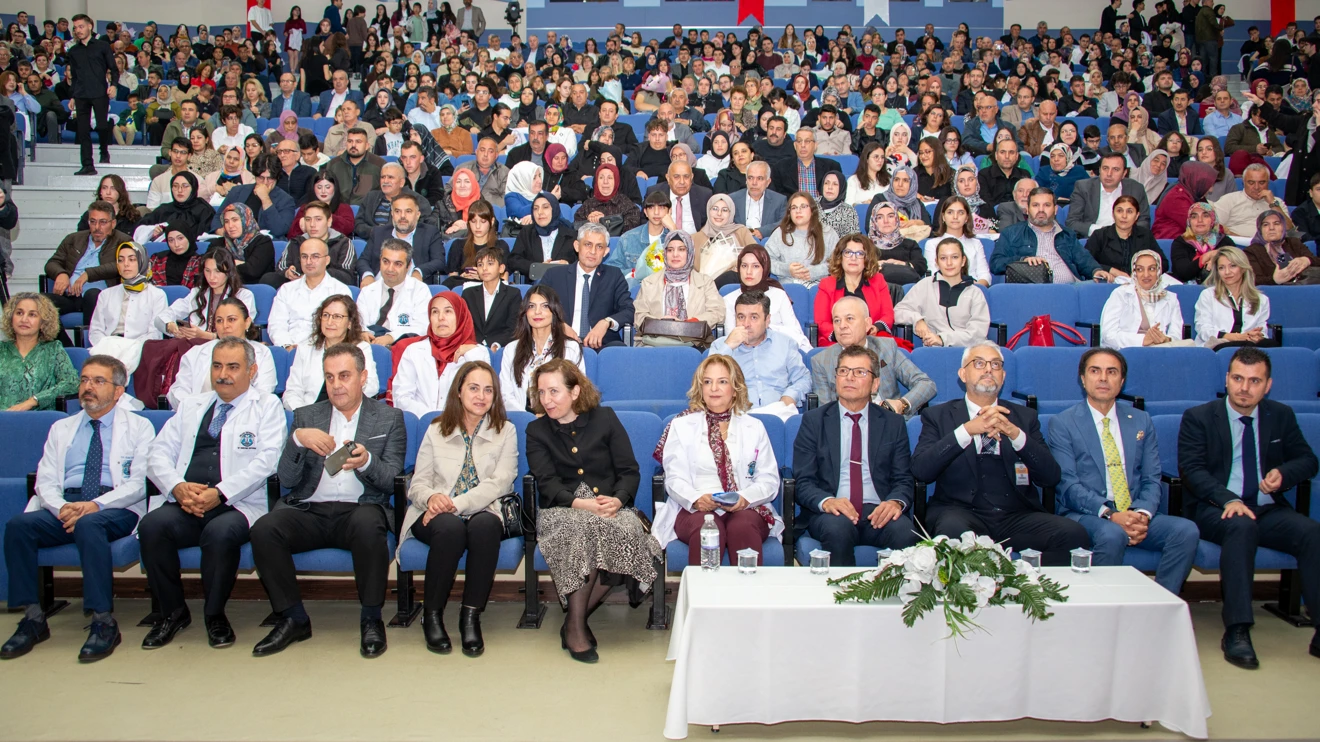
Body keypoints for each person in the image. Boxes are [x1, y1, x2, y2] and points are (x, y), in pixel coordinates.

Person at [249, 344, 407, 658]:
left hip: (359, 509)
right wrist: (297, 440)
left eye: (345, 376)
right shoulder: (306, 416)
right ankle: (294, 618)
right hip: (310, 509)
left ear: (363, 377)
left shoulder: (389, 418)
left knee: (368, 525)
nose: (336, 384)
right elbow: (287, 480)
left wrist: (365, 462)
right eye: (330, 377)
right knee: (264, 529)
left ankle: (371, 618)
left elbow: (392, 481)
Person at [0, 356, 154, 662]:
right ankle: (33, 618)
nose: (88, 387)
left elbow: (138, 484)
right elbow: (44, 481)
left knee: (90, 524)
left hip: (115, 505)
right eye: (84, 380)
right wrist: (63, 509)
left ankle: (103, 622)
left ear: (119, 390)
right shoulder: (62, 427)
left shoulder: (139, 427)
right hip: (66, 505)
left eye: (98, 381)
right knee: (18, 526)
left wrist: (94, 505)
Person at [138, 338, 286, 649]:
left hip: (236, 503)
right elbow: (158, 453)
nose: (223, 374)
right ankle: (173, 612)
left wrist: (220, 493)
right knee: (152, 526)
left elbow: (268, 461)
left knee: (220, 533)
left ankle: (214, 614)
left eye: (233, 367)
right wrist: (177, 487)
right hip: (187, 500)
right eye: (217, 366)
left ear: (252, 371)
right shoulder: (192, 406)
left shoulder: (267, 406)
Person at [1178, 347, 1320, 668]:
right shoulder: (1199, 417)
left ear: (1267, 385)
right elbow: (1192, 471)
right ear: (1227, 379)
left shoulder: (1280, 415)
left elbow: (1308, 461)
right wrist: (1229, 499)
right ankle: (1238, 629)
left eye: (1254, 381)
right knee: (1241, 526)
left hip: (1266, 508)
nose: (1245, 388)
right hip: (1215, 508)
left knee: (1312, 533)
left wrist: (1284, 474)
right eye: (1238, 378)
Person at [524, 359, 662, 662]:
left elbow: (629, 470)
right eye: (542, 392)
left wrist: (618, 499)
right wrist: (582, 504)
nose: (546, 400)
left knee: (624, 533)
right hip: (561, 510)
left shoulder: (605, 419)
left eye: (554, 391)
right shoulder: (536, 430)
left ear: (575, 391)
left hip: (609, 506)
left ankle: (572, 621)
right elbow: (546, 483)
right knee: (582, 530)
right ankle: (575, 629)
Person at [911, 340, 1090, 564]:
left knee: (1074, 535)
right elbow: (921, 470)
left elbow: (1050, 476)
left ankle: (1029, 590)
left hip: (1016, 515)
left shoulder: (1024, 417)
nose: (988, 369)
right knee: (951, 535)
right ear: (962, 374)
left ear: (1003, 376)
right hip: (961, 512)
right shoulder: (938, 416)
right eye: (979, 363)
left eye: (995, 365)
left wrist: (1016, 435)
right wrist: (966, 431)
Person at [1048, 348, 1200, 594]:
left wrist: (1141, 514)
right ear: (1083, 379)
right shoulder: (1063, 423)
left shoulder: (1141, 420)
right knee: (1112, 534)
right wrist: (1111, 514)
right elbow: (1067, 485)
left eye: (1112, 372)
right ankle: (1102, 610)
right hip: (1087, 514)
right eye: (1095, 371)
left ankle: (1160, 607)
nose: (1103, 378)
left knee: (1185, 531)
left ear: (1121, 381)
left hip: (1133, 512)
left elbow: (1152, 479)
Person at [400, 360, 514, 656]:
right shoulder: (436, 429)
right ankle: (432, 614)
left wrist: (456, 504)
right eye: (474, 388)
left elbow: (500, 483)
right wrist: (432, 500)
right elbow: (418, 484)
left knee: (486, 526)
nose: (481, 396)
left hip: (483, 508)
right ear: (459, 392)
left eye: (488, 390)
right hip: (435, 514)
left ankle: (470, 616)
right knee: (450, 530)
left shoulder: (506, 430)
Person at [793, 344, 920, 566]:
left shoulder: (893, 423)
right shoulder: (814, 421)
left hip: (877, 510)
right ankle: (842, 597)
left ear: (875, 384)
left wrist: (895, 502)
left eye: (859, 372)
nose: (849, 377)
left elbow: (903, 478)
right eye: (843, 371)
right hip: (832, 511)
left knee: (905, 532)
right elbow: (803, 481)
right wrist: (827, 501)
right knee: (838, 529)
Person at [654, 354, 783, 564]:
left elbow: (769, 480)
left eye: (722, 381)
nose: (714, 388)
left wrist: (744, 498)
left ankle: (749, 594)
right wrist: (696, 499)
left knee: (741, 526)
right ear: (700, 388)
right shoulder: (681, 425)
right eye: (707, 382)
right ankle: (703, 596)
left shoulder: (754, 427)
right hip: (694, 508)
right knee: (707, 526)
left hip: (747, 507)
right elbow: (674, 478)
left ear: (735, 389)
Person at [811, 296, 936, 417]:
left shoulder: (886, 348)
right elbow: (827, 413)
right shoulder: (822, 361)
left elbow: (925, 384)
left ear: (867, 324)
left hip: (889, 422)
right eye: (837, 320)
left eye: (849, 319)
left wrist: (901, 404)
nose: (842, 326)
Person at [708, 290, 811, 417]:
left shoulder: (785, 344)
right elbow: (707, 381)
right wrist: (728, 346)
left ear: (767, 320)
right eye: (741, 317)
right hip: (736, 416)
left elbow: (803, 378)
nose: (746, 324)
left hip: (778, 414)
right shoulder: (720, 346)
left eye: (754, 317)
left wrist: (790, 396)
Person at [164, 297, 276, 410]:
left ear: (247, 322)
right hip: (198, 417)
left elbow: (263, 394)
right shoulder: (196, 353)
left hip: (245, 418)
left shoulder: (262, 353)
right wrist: (200, 410)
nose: (225, 326)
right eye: (219, 320)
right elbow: (177, 392)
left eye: (231, 319)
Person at [539, 223, 635, 350]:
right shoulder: (554, 275)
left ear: (606, 252)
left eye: (599, 246)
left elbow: (628, 310)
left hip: (601, 344)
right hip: (560, 342)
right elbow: (537, 307)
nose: (593, 251)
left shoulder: (614, 276)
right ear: (577, 246)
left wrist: (606, 322)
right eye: (588, 244)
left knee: (618, 351)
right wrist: (558, 325)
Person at [393, 293, 491, 416]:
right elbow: (401, 396)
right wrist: (431, 418)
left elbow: (482, 398)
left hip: (463, 425)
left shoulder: (477, 352)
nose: (441, 317)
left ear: (460, 316)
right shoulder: (414, 351)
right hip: (422, 424)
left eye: (448, 311)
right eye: (435, 312)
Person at [993, 188, 1112, 283]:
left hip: (1070, 289)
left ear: (1055, 210)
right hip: (1032, 291)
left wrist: (1096, 271)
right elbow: (996, 263)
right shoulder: (1011, 233)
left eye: (1046, 205)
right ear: (1027, 210)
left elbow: (1084, 260)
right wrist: (1022, 260)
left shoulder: (1067, 234)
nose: (1041, 210)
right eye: (1035, 205)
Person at [284, 295, 380, 410]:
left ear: (349, 322)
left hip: (347, 413)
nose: (329, 322)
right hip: (310, 413)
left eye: (337, 317)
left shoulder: (361, 348)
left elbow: (371, 386)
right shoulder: (306, 348)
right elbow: (292, 392)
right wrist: (304, 414)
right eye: (326, 315)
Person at [43, 201, 131, 327]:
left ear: (113, 223)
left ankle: (90, 344)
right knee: (38, 303)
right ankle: (64, 345)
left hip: (101, 298)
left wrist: (88, 274)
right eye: (93, 221)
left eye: (103, 222)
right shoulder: (73, 239)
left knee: (92, 294)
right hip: (71, 296)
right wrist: (61, 274)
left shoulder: (123, 241)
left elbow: (120, 265)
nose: (97, 227)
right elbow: (52, 263)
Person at [498, 286, 586, 413]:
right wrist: (528, 419)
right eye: (531, 306)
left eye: (544, 306)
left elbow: (576, 391)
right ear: (525, 312)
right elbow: (505, 395)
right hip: (522, 420)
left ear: (554, 311)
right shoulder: (511, 349)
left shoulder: (570, 348)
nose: (537, 312)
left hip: (559, 420)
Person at [894, 238, 991, 348]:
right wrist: (917, 320)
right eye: (943, 258)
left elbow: (978, 333)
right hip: (935, 352)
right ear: (937, 262)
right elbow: (898, 312)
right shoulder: (925, 285)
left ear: (963, 261)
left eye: (954, 257)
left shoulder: (975, 292)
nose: (949, 263)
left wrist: (942, 338)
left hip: (970, 352)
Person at [87, 242, 169, 363]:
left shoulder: (157, 295)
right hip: (107, 350)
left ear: (142, 262)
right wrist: (108, 348)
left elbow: (154, 334)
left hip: (139, 351)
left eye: (132, 259)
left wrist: (128, 347)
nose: (126, 264)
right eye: (121, 260)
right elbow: (95, 331)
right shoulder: (106, 294)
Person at [267, 238, 353, 349]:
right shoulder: (286, 289)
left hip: (324, 351)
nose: (308, 261)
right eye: (304, 256)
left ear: (327, 260)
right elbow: (276, 324)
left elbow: (340, 329)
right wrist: (287, 346)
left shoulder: (340, 290)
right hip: (290, 350)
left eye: (315, 257)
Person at [723, 245, 812, 352]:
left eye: (755, 266)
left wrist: (767, 330)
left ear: (765, 268)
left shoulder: (779, 295)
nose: (749, 272)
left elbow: (795, 332)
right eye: (744, 266)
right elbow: (732, 337)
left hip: (778, 350)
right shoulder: (729, 299)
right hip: (744, 353)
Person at [0, 294, 80, 411]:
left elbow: (71, 383)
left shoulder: (54, 349)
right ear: (11, 318)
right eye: (19, 313)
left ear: (43, 323)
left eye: (32, 315)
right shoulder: (2, 349)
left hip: (40, 420)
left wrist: (33, 401)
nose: (24, 319)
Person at [812, 234, 895, 345]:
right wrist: (843, 334)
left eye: (860, 254)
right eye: (848, 252)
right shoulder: (827, 284)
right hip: (838, 341)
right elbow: (821, 322)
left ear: (867, 259)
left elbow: (888, 314)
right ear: (840, 257)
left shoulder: (878, 281)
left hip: (871, 339)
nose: (853, 258)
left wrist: (875, 327)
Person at [1100, 250, 1189, 349]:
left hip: (1162, 353)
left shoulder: (1171, 298)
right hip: (1126, 354)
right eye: (1140, 269)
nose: (1146, 275)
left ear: (1158, 271)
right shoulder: (1121, 294)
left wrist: (1166, 339)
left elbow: (1177, 336)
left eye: (1151, 269)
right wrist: (1143, 340)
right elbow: (1108, 335)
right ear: (1134, 272)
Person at [355, 238, 432, 346]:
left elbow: (422, 326)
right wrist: (363, 332)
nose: (390, 269)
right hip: (369, 344)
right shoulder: (368, 291)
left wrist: (391, 337)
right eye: (386, 262)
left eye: (398, 264)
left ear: (408, 266)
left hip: (402, 346)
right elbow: (358, 321)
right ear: (380, 260)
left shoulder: (420, 290)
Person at [358, 193, 447, 286]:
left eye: (408, 211)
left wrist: (419, 271)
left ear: (417, 215)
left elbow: (439, 261)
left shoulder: (429, 232)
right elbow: (363, 260)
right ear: (392, 214)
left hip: (413, 288)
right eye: (397, 211)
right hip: (380, 286)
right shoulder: (379, 232)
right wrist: (367, 276)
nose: (402, 216)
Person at [66, 14, 116, 175]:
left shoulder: (102, 46)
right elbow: (73, 75)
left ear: (90, 26)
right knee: (82, 130)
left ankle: (104, 150)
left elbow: (113, 68)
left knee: (102, 126)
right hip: (81, 93)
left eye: (81, 26)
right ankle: (87, 164)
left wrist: (114, 85)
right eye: (75, 28)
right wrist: (73, 96)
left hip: (99, 91)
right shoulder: (73, 51)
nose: (78, 30)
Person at [1065, 153, 1153, 238]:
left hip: (1127, 239)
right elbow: (1072, 222)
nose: (1109, 174)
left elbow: (1144, 221)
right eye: (1105, 168)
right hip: (1094, 240)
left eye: (1115, 169)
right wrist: (1101, 231)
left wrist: (1124, 232)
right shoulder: (1083, 187)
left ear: (1124, 173)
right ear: (1099, 170)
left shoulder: (1136, 189)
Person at [765, 192, 839, 289]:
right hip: (789, 289)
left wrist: (813, 272)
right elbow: (766, 260)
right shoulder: (780, 233)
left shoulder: (828, 233)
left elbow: (837, 261)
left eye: (803, 206)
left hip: (821, 288)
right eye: (794, 207)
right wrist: (787, 269)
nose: (798, 211)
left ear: (812, 210)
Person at [1086, 196, 1167, 277]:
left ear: (1136, 216)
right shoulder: (1100, 235)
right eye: (1119, 211)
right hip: (1108, 283)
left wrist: (1141, 272)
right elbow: (1086, 262)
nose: (1124, 216)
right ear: (1113, 214)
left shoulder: (1145, 235)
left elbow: (1163, 263)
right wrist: (1110, 270)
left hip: (1138, 284)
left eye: (1129, 211)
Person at [927, 197, 993, 286]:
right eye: (950, 212)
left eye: (960, 213)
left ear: (966, 218)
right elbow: (933, 276)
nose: (955, 217)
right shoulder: (932, 244)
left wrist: (974, 288)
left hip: (973, 290)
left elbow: (985, 276)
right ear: (943, 217)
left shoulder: (976, 243)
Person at [462, 248, 520, 349]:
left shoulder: (513, 294)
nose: (484, 268)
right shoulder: (468, 293)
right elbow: (464, 325)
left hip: (501, 346)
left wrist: (497, 344)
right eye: (480, 265)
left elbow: (513, 327)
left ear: (501, 268)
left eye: (490, 263)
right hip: (472, 346)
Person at [1214, 164, 1293, 237]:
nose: (1256, 187)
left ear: (1268, 183)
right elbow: (1213, 227)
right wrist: (1235, 237)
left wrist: (1273, 204)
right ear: (1243, 182)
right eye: (1251, 182)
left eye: (1261, 182)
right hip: (1239, 246)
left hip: (1272, 247)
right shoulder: (1228, 200)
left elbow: (1290, 230)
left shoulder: (1276, 202)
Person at [509, 192, 576, 277]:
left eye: (545, 207)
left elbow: (581, 261)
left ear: (554, 209)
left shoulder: (570, 234)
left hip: (563, 282)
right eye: (535, 208)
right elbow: (513, 260)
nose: (540, 212)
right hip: (535, 285)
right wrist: (537, 267)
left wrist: (568, 265)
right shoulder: (526, 233)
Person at [1244, 210, 1317, 286]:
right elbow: (1252, 280)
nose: (1271, 228)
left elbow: (1317, 261)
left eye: (1276, 224)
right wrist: (1274, 280)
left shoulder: (1293, 242)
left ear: (1283, 227)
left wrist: (1307, 260)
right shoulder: (1252, 251)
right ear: (1260, 229)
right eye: (1265, 225)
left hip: (1303, 287)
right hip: (1275, 293)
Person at [691, 194, 755, 280]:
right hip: (707, 285)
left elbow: (757, 257)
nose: (719, 214)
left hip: (738, 280)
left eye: (724, 210)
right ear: (708, 211)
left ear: (731, 212)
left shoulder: (742, 231)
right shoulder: (695, 238)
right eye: (715, 209)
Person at [1171, 202, 1235, 283]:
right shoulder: (1181, 242)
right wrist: (1206, 256)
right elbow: (1183, 273)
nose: (1200, 220)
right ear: (1189, 221)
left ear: (1213, 219)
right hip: (1188, 291)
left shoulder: (1225, 241)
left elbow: (1236, 272)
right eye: (1194, 217)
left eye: (1205, 216)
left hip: (1220, 289)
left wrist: (1217, 260)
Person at [1154, 162, 1219, 239]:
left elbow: (1211, 220)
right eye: (1208, 184)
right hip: (1172, 243)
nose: (1211, 190)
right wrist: (1226, 231)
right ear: (1197, 181)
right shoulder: (1177, 197)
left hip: (1191, 240)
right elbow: (1199, 225)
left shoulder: (1194, 192)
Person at [729, 161, 787, 241]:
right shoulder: (732, 199)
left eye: (760, 178)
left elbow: (784, 222)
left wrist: (763, 232)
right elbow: (726, 223)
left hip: (767, 244)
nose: (754, 183)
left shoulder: (779, 200)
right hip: (738, 243)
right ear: (746, 180)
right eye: (750, 178)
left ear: (768, 182)